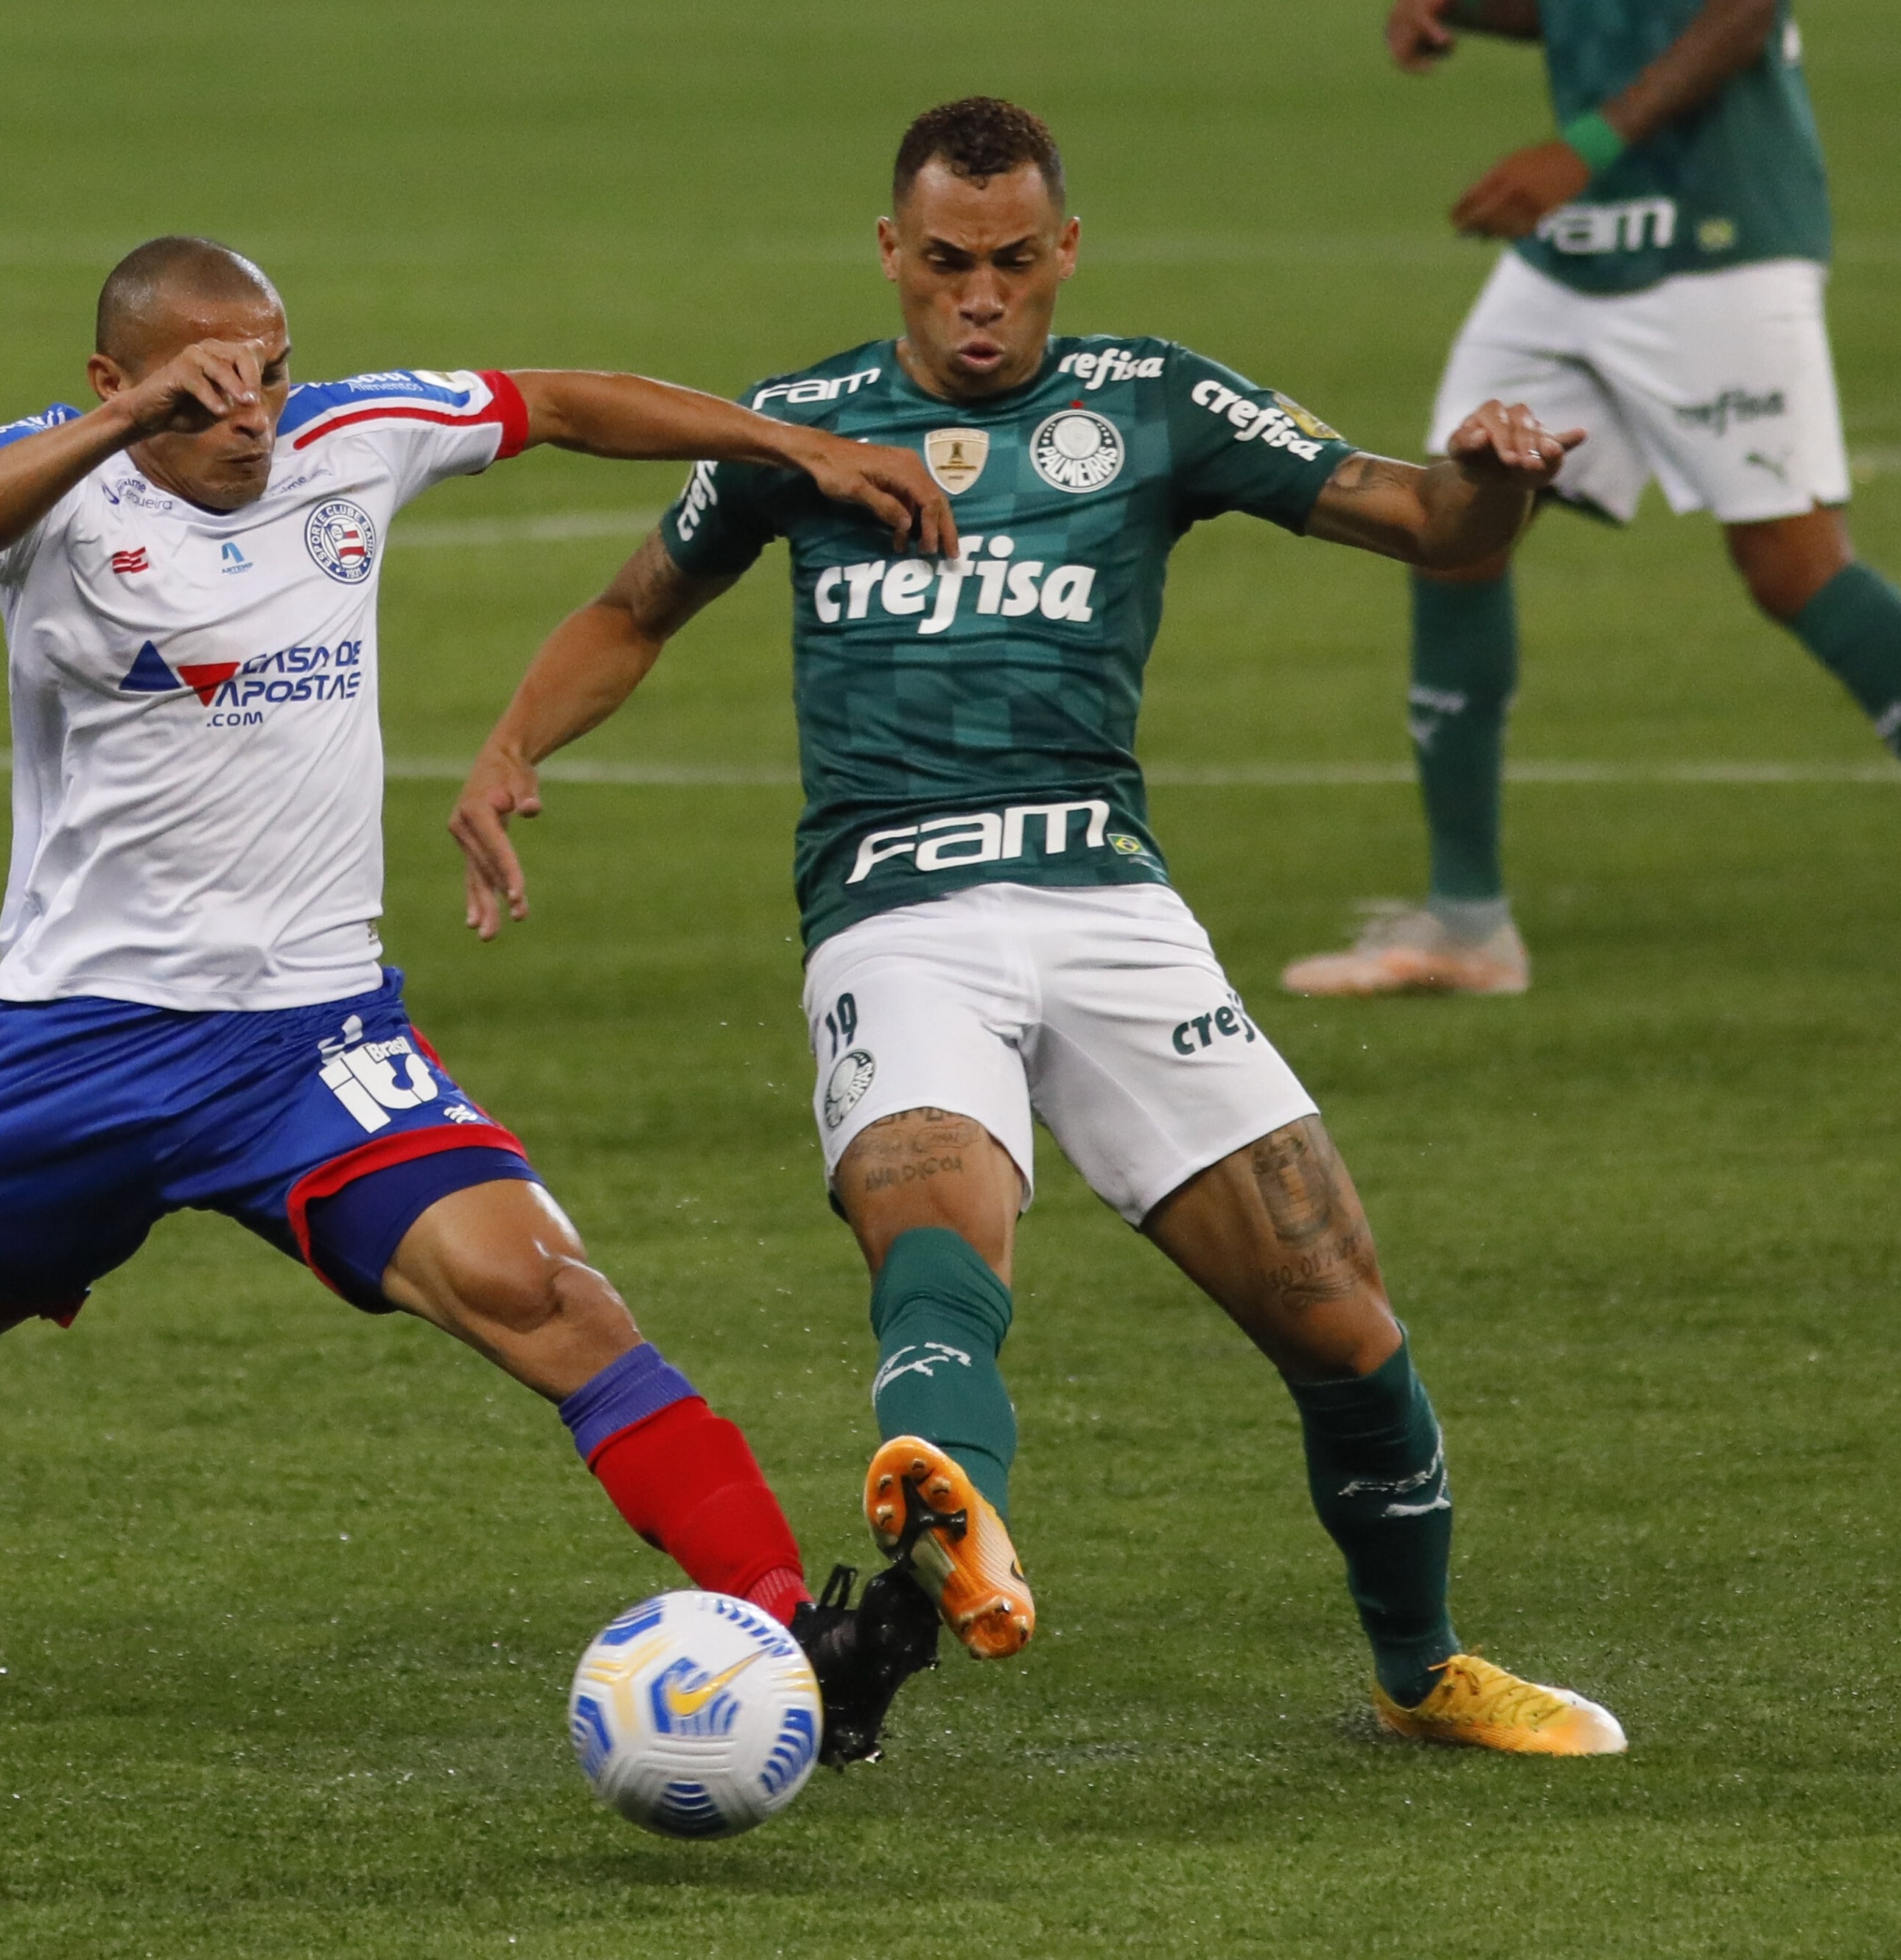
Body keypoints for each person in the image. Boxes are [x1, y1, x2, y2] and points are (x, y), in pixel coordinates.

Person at [0, 237, 964, 1763]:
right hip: (73, 1047)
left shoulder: (352, 442)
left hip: (313, 1036)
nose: (251, 410)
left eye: (270, 370)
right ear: (116, 379)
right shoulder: (53, 487)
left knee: (553, 1301)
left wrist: (792, 444)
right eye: (208, 381)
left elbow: (559, 399)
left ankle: (795, 1636)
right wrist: (122, 426)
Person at [452, 99, 1627, 1752]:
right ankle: (955, 1521)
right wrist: (509, 746)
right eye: (945, 265)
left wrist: (1492, 481)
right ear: (892, 254)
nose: (980, 297)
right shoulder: (800, 430)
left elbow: (1428, 522)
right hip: (893, 913)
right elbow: (633, 606)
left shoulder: (1154, 402)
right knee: (937, 1231)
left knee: (1343, 1324)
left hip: (1110, 907)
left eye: (1012, 264)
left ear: (1062, 251)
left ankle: (1421, 1669)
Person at [1285, 0, 1892, 995]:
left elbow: (1740, 13)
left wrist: (1584, 146)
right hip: (1577, 249)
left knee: (1794, 567)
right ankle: (1467, 926)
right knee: (1451, 524)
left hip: (1718, 235)